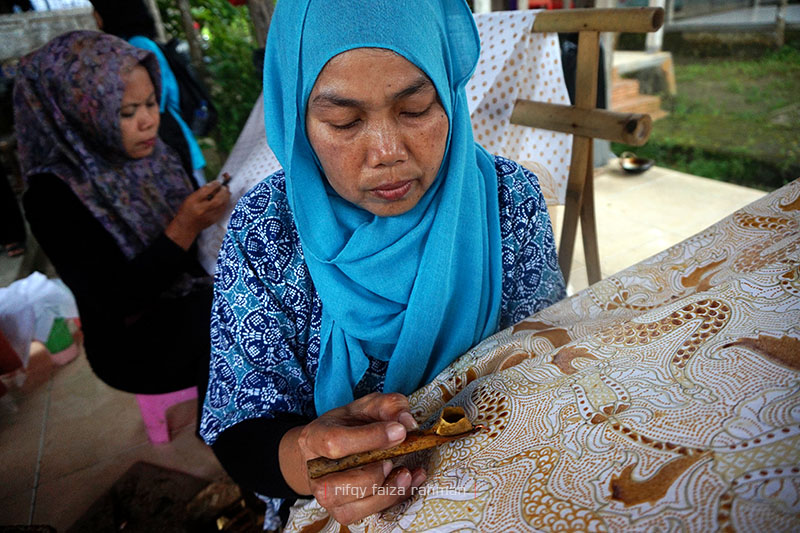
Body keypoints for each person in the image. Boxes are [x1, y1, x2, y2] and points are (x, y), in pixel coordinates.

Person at [200, 0, 566, 527]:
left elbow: (540, 357)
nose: (386, 152)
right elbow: (241, 426)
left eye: (415, 109)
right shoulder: (267, 229)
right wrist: (315, 460)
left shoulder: (507, 200)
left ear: (449, 93)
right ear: (296, 122)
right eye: (343, 122)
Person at [13, 31, 231, 395]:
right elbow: (117, 300)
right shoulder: (53, 195)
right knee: (238, 321)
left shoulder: (154, 155)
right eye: (127, 112)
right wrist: (185, 225)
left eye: (150, 104)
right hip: (134, 342)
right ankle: (233, 434)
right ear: (79, 112)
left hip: (190, 293)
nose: (148, 122)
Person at [89, 0, 208, 184]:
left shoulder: (137, 45)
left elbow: (165, 94)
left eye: (96, 11)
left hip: (172, 139)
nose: (93, 17)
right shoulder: (132, 44)